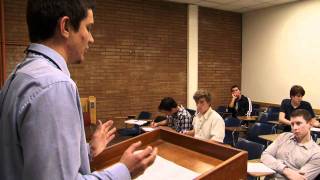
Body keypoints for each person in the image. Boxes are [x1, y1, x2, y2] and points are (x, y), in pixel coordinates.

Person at [0, 0, 157, 179]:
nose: (91, 38)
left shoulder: (18, 75)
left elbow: (30, 162)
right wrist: (124, 170)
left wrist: (87, 152)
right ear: (65, 26)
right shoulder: (54, 86)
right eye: (88, 28)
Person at [261, 109, 320, 180]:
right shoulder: (283, 136)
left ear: (310, 124)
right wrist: (286, 170)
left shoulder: (317, 153)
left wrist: (273, 164)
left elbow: (299, 178)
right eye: (292, 124)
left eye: (298, 123)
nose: (294, 128)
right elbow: (265, 155)